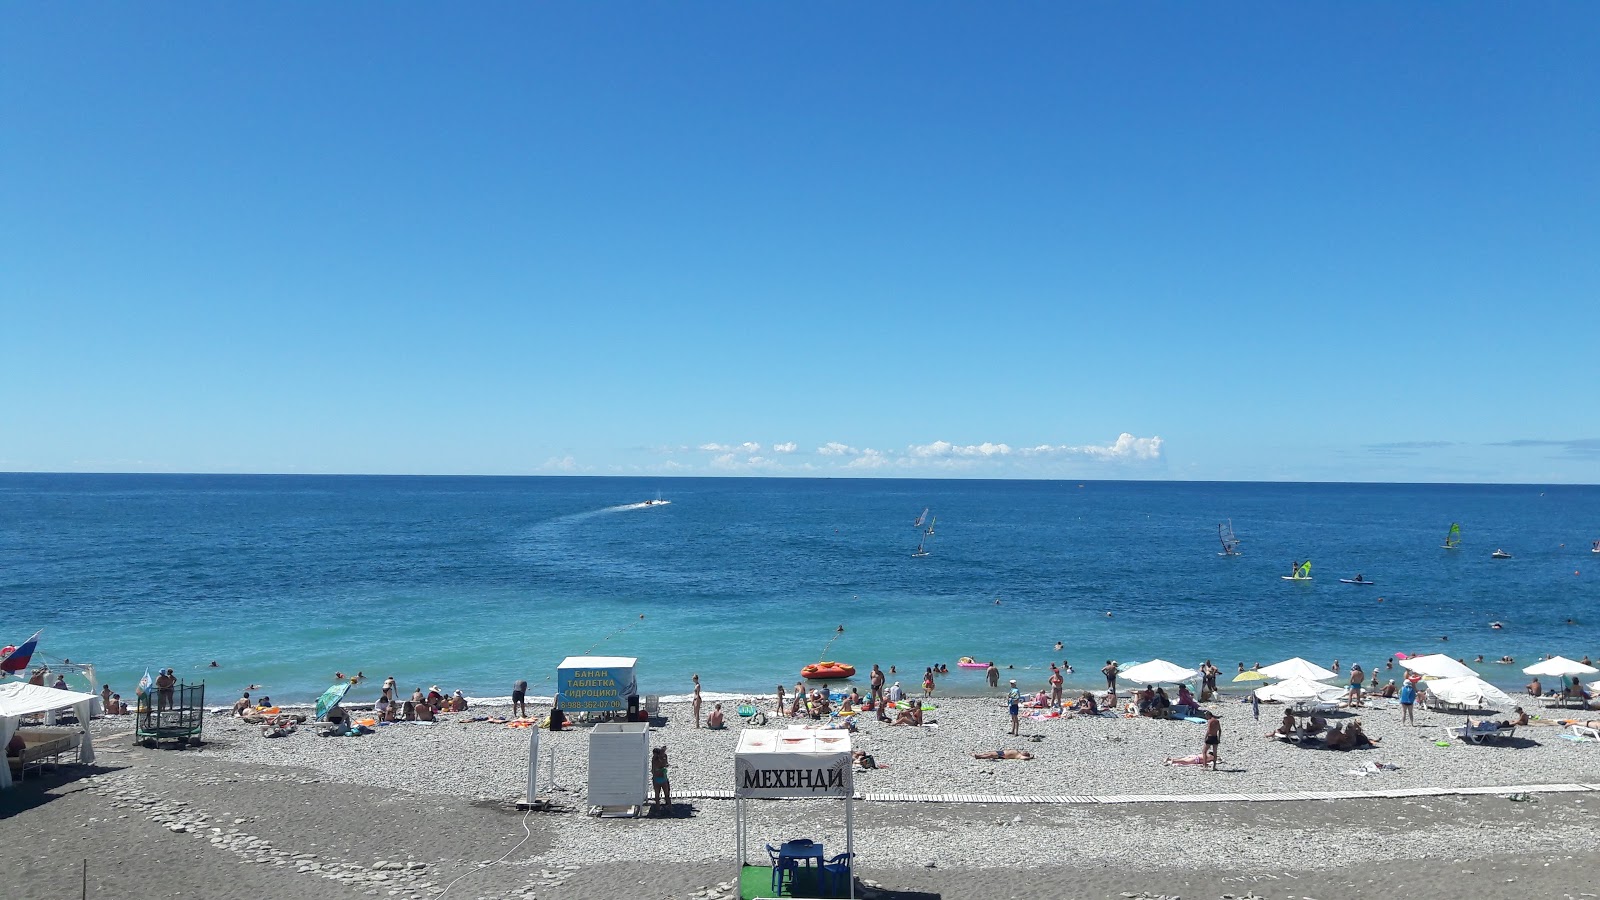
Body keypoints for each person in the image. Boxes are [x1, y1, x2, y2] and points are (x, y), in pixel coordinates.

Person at [650, 746, 671, 811]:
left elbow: (653, 770)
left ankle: (658, 810)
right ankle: (670, 809)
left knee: (657, 795)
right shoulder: (662, 759)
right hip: (663, 779)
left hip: (656, 779)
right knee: (667, 795)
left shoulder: (654, 759)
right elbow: (665, 764)